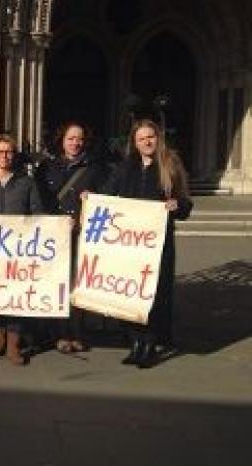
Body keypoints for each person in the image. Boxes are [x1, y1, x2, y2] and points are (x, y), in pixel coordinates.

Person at [102, 119, 192, 369]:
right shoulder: (124, 168)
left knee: (155, 294)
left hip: (158, 243)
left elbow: (186, 204)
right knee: (130, 292)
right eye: (142, 139)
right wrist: (91, 198)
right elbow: (107, 194)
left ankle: (150, 344)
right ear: (135, 142)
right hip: (130, 244)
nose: (147, 142)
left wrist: (177, 205)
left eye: (151, 137)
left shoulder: (170, 165)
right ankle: (135, 342)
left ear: (158, 138)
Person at [36, 122, 109, 354]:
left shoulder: (95, 168)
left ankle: (77, 332)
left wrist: (94, 197)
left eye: (79, 139)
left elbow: (108, 198)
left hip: (82, 233)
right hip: (54, 235)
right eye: (70, 138)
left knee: (77, 283)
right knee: (57, 282)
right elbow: (39, 200)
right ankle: (59, 333)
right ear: (62, 140)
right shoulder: (47, 167)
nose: (75, 143)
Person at [0, 133, 45, 366]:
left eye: (9, 152)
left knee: (15, 294)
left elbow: (37, 213)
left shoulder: (26, 182)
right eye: (0, 152)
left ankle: (14, 344)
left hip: (18, 249)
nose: (4, 156)